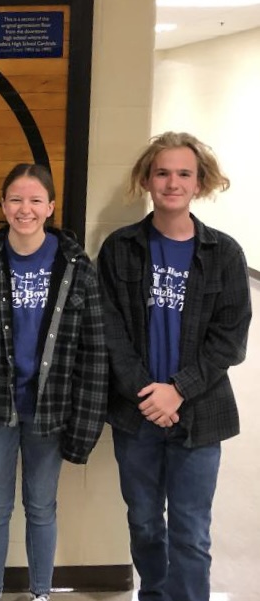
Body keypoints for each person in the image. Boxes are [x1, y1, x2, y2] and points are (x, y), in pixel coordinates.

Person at [0, 164, 108, 601]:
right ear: (3, 204)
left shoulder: (77, 267)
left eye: (36, 200)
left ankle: (40, 593)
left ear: (51, 207)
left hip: (51, 411)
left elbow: (95, 353)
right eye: (16, 199)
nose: (25, 209)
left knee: (41, 509)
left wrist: (84, 428)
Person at [98, 132, 250, 601]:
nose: (172, 182)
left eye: (184, 173)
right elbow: (109, 330)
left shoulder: (223, 253)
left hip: (200, 414)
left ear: (200, 183)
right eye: (162, 172)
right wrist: (149, 392)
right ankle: (156, 595)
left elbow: (230, 339)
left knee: (190, 531)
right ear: (147, 179)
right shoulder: (119, 248)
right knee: (144, 521)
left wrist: (178, 390)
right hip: (137, 412)